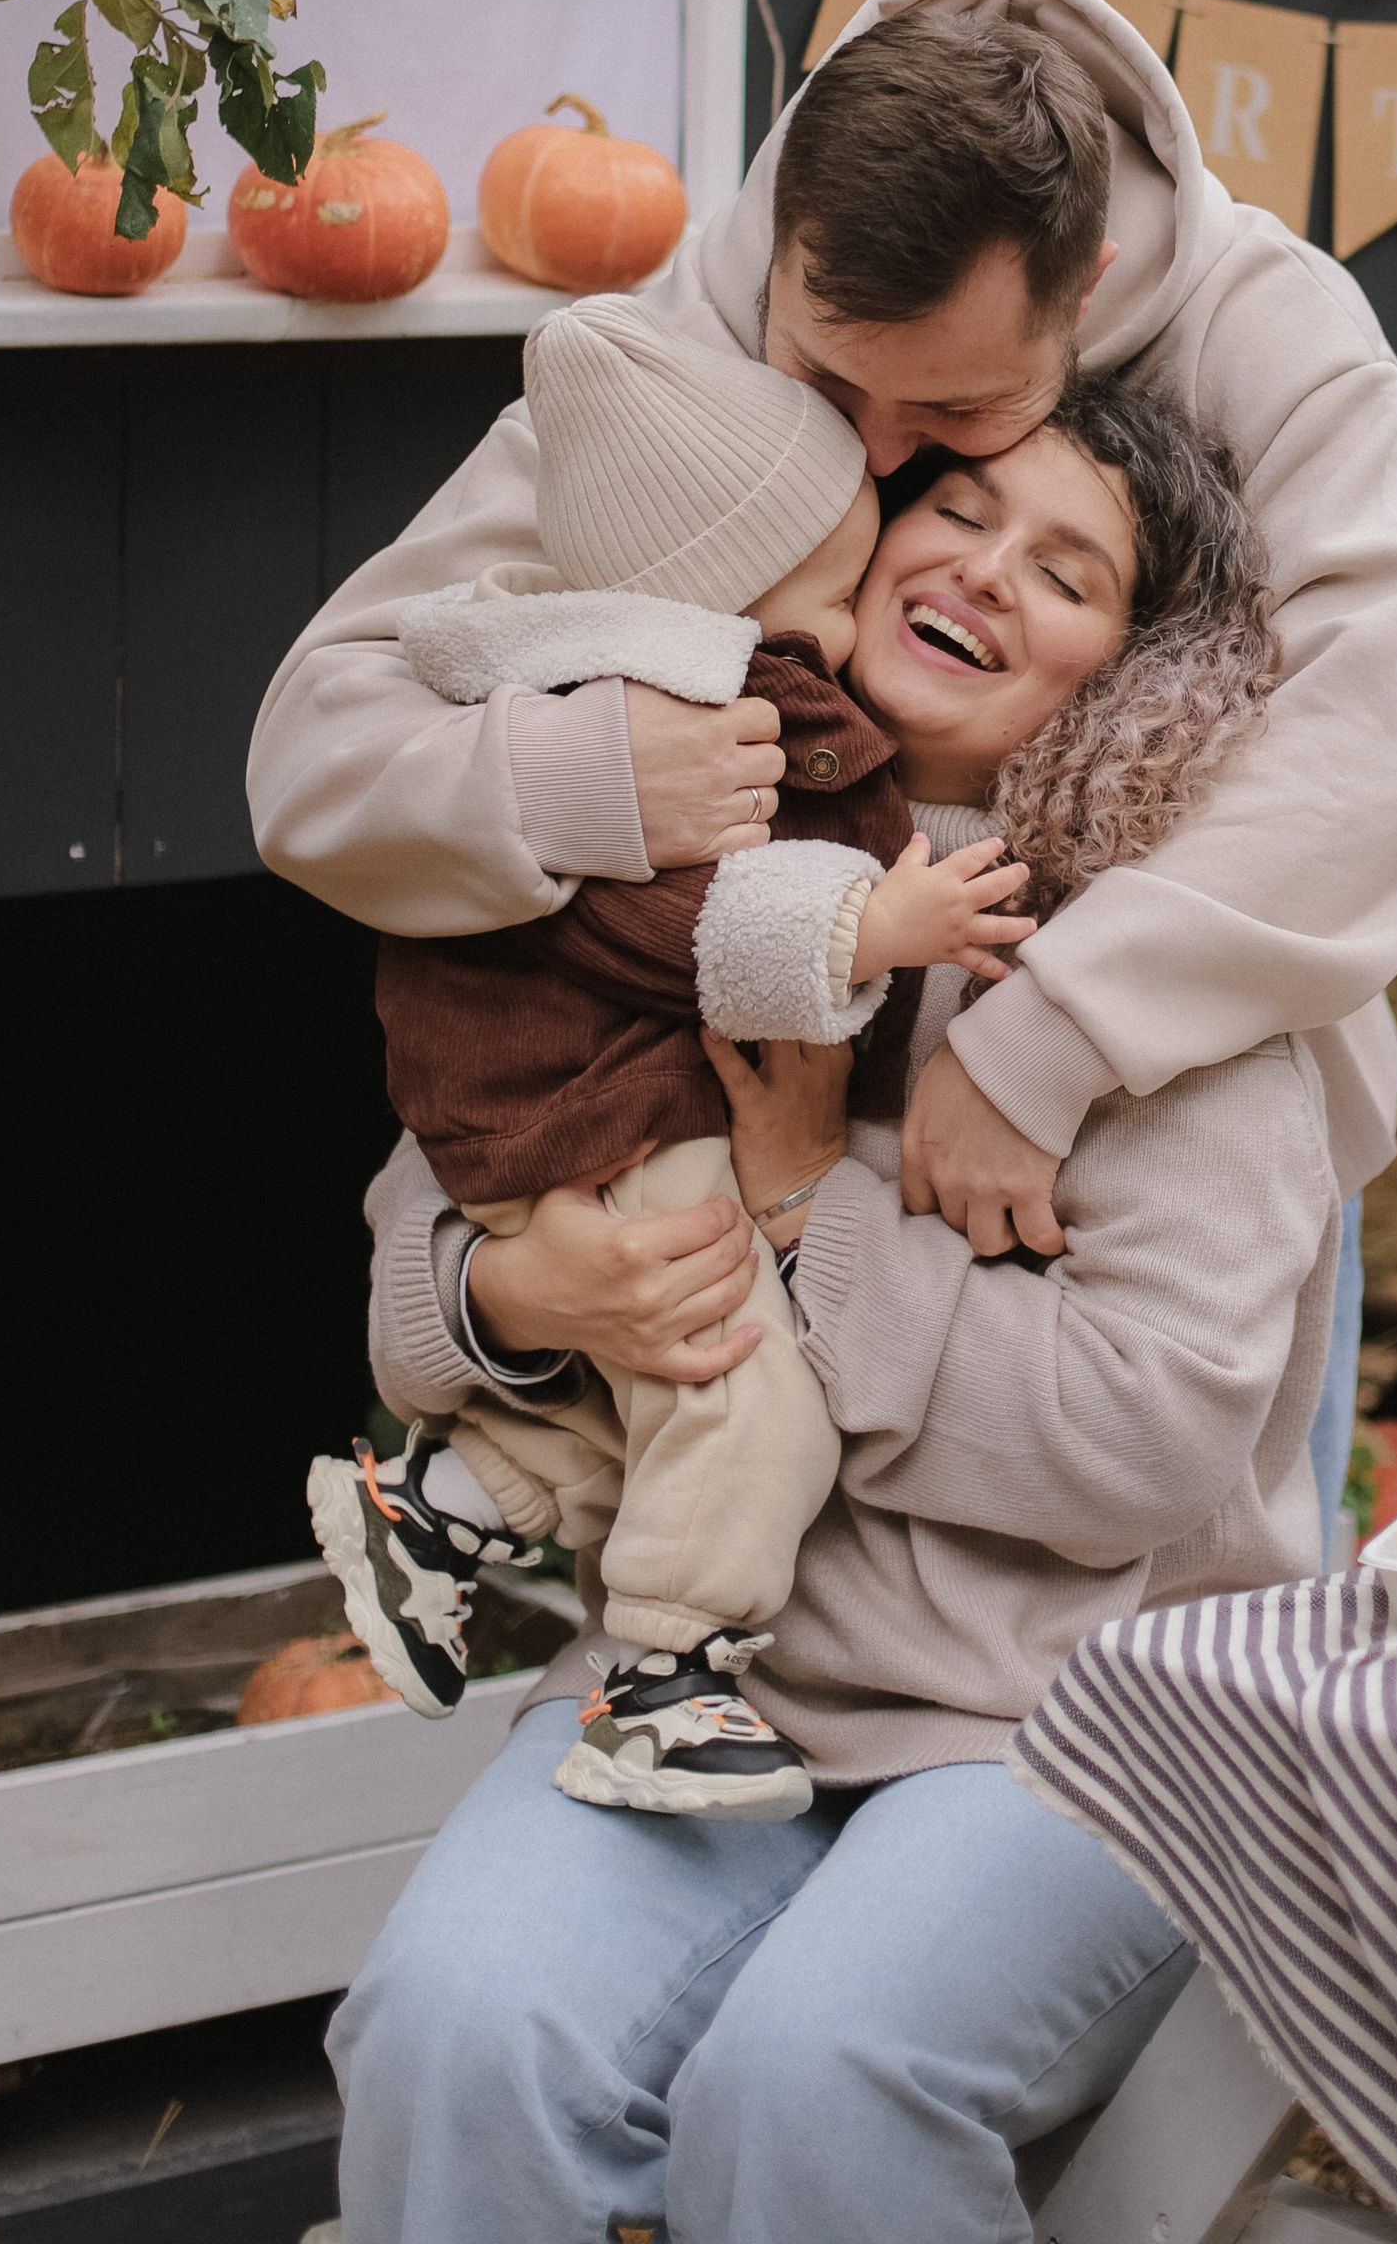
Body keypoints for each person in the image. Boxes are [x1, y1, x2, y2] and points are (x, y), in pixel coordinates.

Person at [251, 0, 1397, 1541]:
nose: (873, 458)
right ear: (783, 258)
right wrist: (587, 775)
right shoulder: (700, 319)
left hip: (1150, 1149)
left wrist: (1046, 1042)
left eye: (952, 424)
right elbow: (323, 739)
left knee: (1204, 1647)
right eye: (822, 385)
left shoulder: (1282, 338)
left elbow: (1366, 762)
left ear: (1084, 294)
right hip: (745, 1113)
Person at [327, 393, 1339, 2244]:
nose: (983, 569)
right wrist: (504, 1293)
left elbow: (1141, 1436)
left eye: (1070, 568)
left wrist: (810, 1208)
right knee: (447, 2030)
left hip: (1075, 1718)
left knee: (814, 2082)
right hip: (706, 1686)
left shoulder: (1174, 954)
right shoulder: (672, 832)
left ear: (1141, 667)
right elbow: (433, 1224)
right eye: (956, 508)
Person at [308, 290, 1040, 1819]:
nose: (844, 627)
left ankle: (444, 1505)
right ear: (730, 590)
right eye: (833, 591)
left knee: (635, 1384)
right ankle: (666, 1676)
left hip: (557, 1103)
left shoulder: (582, 678)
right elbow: (693, 923)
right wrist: (872, 923)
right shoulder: (679, 714)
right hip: (600, 1107)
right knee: (740, 1385)